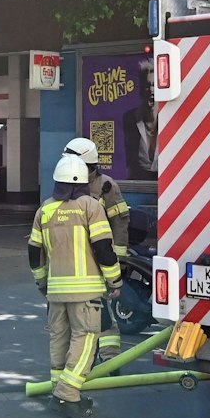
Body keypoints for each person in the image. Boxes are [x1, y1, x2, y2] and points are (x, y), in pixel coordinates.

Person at [29, 155, 120, 418]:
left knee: (59, 338)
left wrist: (42, 281)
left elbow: (34, 251)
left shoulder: (44, 209)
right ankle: (68, 394)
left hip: (55, 292)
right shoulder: (90, 206)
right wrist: (114, 280)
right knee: (85, 339)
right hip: (86, 293)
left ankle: (59, 390)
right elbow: (104, 248)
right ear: (82, 181)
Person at [64, 136, 128, 360]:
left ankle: (110, 360)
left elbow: (120, 224)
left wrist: (118, 263)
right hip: (70, 263)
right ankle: (80, 362)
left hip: (98, 261)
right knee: (70, 318)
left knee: (101, 314)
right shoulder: (66, 184)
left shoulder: (106, 186)